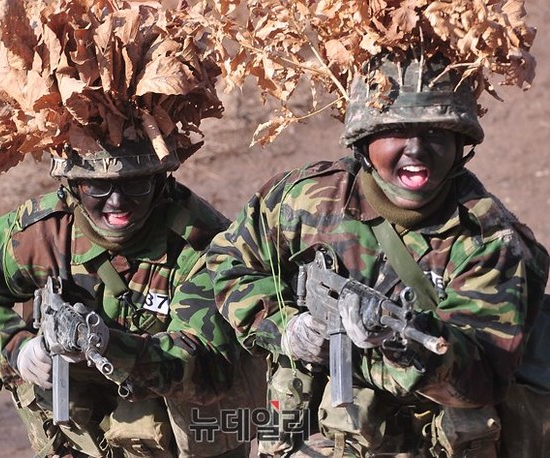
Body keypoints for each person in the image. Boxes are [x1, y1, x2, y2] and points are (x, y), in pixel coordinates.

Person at [0, 1, 264, 457]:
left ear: (161, 180)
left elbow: (209, 365)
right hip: (83, 431)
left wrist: (108, 345)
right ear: (72, 187)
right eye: (98, 188)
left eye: (134, 186)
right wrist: (19, 350)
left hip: (179, 437)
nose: (116, 202)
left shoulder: (202, 241)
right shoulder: (42, 232)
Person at [206, 52, 550, 457]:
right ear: (364, 141)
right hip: (317, 433)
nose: (416, 149)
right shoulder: (306, 199)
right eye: (396, 131)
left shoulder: (490, 243)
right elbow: (229, 263)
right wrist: (287, 328)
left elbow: (482, 377)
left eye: (437, 133)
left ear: (461, 145)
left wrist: (404, 343)